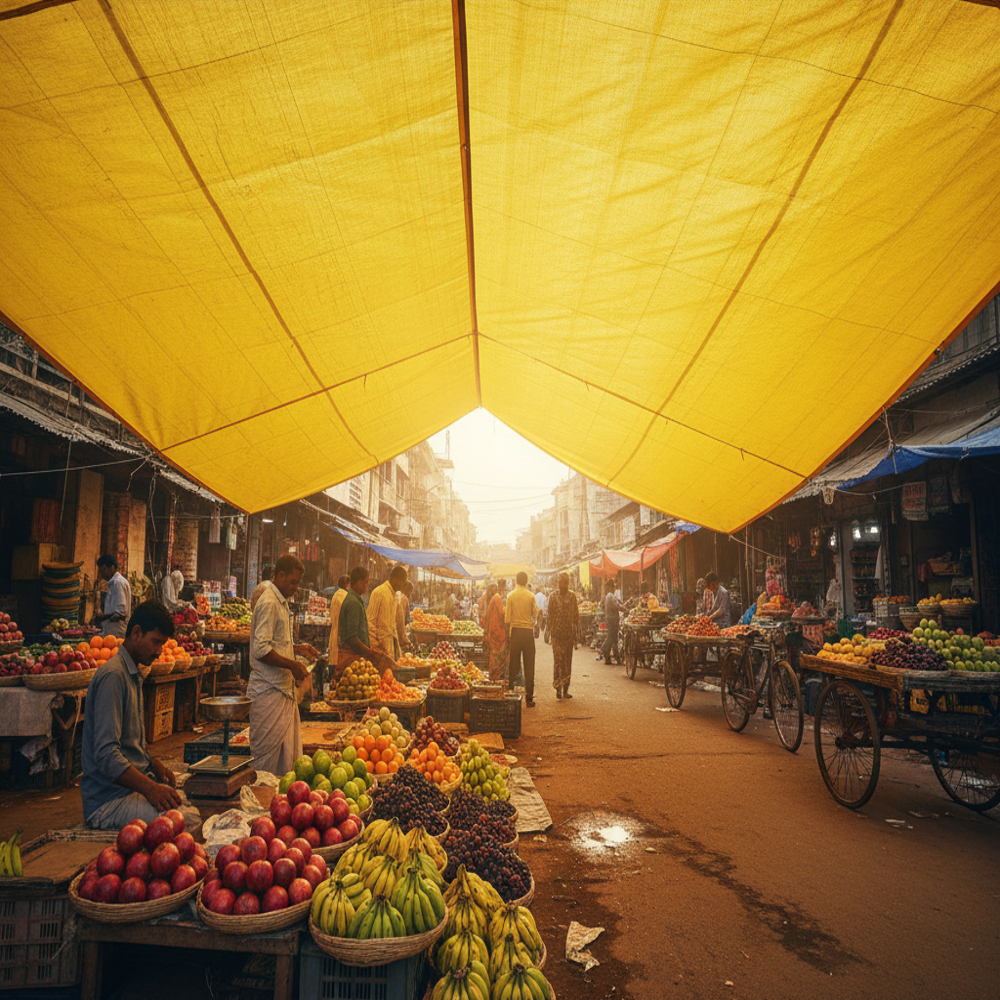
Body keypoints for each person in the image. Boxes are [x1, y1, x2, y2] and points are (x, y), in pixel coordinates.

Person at [82, 600, 184, 828]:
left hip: (128, 792)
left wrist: (152, 763)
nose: (159, 651)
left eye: (162, 644)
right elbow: (107, 755)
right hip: (108, 801)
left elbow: (129, 745)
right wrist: (150, 788)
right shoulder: (113, 676)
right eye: (155, 642)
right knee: (182, 820)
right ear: (136, 633)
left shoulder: (132, 673)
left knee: (188, 802)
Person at [247, 554, 320, 776]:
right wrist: (292, 665)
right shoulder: (269, 602)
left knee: (286, 762)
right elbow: (261, 649)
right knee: (266, 767)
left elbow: (274, 643)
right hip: (269, 691)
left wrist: (298, 649)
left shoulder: (280, 601)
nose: (295, 588)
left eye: (298, 583)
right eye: (293, 582)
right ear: (280, 575)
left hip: (282, 691)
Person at [333, 567, 396, 683]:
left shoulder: (352, 599)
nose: (367, 586)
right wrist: (368, 652)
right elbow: (351, 637)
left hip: (353, 656)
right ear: (359, 583)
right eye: (366, 582)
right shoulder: (354, 603)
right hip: (353, 658)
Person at [506, 571, 538, 707]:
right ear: (526, 581)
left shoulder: (510, 596)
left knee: (513, 664)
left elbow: (507, 618)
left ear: (516, 581)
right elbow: (535, 614)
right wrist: (531, 622)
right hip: (527, 632)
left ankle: (510, 693)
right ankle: (529, 698)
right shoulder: (531, 596)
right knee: (529, 665)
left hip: (515, 632)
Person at [547, 573, 578, 699]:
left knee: (567, 662)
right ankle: (558, 688)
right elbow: (550, 615)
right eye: (561, 582)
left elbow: (576, 616)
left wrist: (577, 636)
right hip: (556, 635)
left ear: (568, 583)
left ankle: (565, 690)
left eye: (565, 583)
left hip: (568, 635)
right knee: (558, 661)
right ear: (558, 583)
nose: (563, 585)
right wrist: (548, 632)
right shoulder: (553, 597)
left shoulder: (572, 597)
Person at [368, 565, 408, 659]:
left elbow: (392, 626)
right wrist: (375, 647)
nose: (401, 586)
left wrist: (398, 649)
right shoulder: (379, 592)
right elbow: (369, 622)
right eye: (401, 582)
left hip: (389, 649)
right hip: (379, 649)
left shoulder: (393, 595)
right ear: (393, 579)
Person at [94, 554, 131, 640]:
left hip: (117, 633)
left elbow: (121, 612)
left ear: (111, 568)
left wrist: (103, 617)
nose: (102, 573)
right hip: (113, 633)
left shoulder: (118, 583)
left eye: (104, 569)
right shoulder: (115, 582)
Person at [483, 583, 509, 685]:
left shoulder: (492, 600)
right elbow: (502, 614)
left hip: (493, 633)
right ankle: (495, 680)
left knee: (494, 658)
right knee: (498, 659)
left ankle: (493, 678)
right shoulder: (497, 598)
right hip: (497, 633)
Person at [599, 579, 625, 665]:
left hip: (610, 619)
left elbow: (617, 602)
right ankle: (603, 649)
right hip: (612, 620)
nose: (614, 588)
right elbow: (618, 606)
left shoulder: (609, 596)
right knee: (611, 637)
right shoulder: (610, 596)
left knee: (613, 639)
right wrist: (625, 609)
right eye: (613, 586)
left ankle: (611, 658)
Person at [396, 581, 413, 655]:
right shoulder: (405, 599)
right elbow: (406, 620)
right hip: (398, 632)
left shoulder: (395, 595)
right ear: (408, 591)